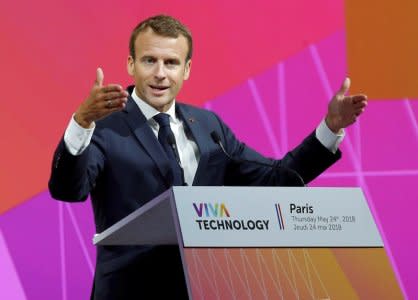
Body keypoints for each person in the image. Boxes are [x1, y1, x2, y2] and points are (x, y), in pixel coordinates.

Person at [48, 15, 367, 300]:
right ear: (131, 64)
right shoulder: (103, 127)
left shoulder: (208, 127)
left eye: (171, 63)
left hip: (206, 286)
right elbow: (68, 190)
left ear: (186, 69)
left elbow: (276, 178)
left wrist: (330, 128)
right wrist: (81, 122)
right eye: (149, 61)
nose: (160, 74)